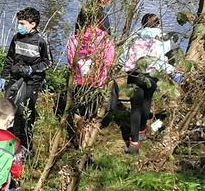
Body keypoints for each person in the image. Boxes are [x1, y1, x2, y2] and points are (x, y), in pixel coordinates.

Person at [0, 7, 51, 166]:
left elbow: (48, 62)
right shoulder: (16, 38)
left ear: (33, 24)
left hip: (32, 82)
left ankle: (27, 147)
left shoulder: (41, 40)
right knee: (9, 111)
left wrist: (32, 69)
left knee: (26, 114)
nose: (19, 26)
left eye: (22, 23)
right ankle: (9, 143)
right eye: (18, 23)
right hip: (15, 79)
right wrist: (3, 75)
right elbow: (9, 58)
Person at [120, 13, 177, 154]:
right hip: (152, 75)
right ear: (158, 24)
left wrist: (123, 66)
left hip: (134, 74)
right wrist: (171, 72)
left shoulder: (134, 36)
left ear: (143, 23)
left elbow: (123, 57)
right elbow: (168, 59)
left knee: (135, 107)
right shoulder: (164, 38)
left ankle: (134, 143)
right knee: (147, 102)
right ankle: (141, 132)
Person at [65, 8, 116, 148]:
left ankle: (80, 140)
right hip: (97, 85)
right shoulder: (105, 40)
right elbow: (109, 62)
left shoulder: (75, 39)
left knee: (79, 115)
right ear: (99, 21)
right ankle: (86, 146)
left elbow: (70, 62)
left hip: (79, 84)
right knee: (93, 117)